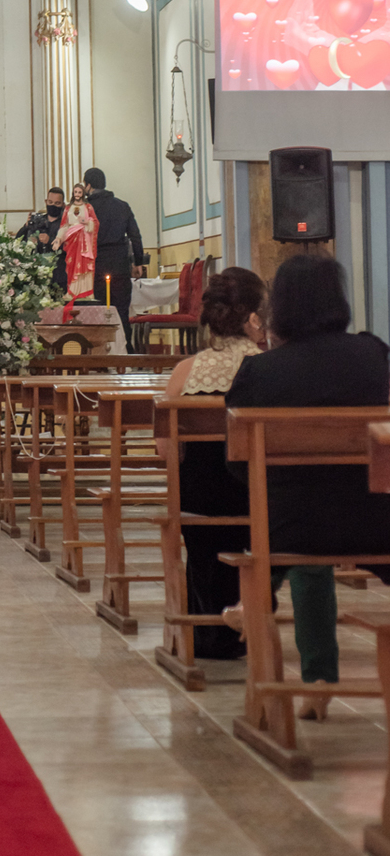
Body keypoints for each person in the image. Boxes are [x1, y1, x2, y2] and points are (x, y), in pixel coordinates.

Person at [228, 252, 390, 714]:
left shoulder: (261, 371)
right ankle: (318, 676)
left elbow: (237, 460)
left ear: (280, 306)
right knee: (315, 534)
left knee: (298, 545)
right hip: (376, 518)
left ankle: (313, 680)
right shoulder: (372, 354)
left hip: (291, 524)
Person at [158, 266, 266, 659]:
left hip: (199, 506)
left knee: (203, 527)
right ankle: (250, 618)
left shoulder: (187, 372)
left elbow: (166, 451)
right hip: (258, 502)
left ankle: (207, 629)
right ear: (256, 315)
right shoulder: (269, 369)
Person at [82, 168, 145, 347]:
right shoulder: (122, 206)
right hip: (120, 266)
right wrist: (138, 262)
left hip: (95, 266)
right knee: (122, 312)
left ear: (88, 185)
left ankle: (101, 354)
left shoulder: (85, 209)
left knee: (98, 312)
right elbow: (135, 235)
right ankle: (127, 353)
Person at [54, 184, 98, 303]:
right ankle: (72, 291)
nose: (77, 195)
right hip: (72, 240)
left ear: (83, 193)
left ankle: (87, 291)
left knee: (85, 265)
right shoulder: (68, 208)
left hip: (84, 239)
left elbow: (95, 223)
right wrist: (58, 238)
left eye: (79, 192)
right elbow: (64, 225)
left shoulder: (88, 207)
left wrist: (86, 222)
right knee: (72, 265)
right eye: (75, 192)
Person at [16, 189, 66, 289]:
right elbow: (18, 240)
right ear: (46, 202)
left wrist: (50, 240)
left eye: (57, 203)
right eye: (50, 202)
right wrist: (27, 227)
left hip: (59, 274)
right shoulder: (38, 221)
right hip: (38, 275)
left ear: (63, 205)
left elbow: (69, 247)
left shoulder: (65, 224)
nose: (53, 205)